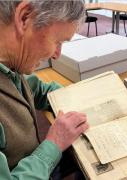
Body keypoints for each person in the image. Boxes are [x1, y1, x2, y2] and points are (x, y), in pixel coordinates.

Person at [0, 0, 89, 179]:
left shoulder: (10, 65)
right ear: (25, 17)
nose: (57, 55)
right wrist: (54, 144)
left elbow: (39, 90)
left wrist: (99, 94)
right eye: (57, 41)